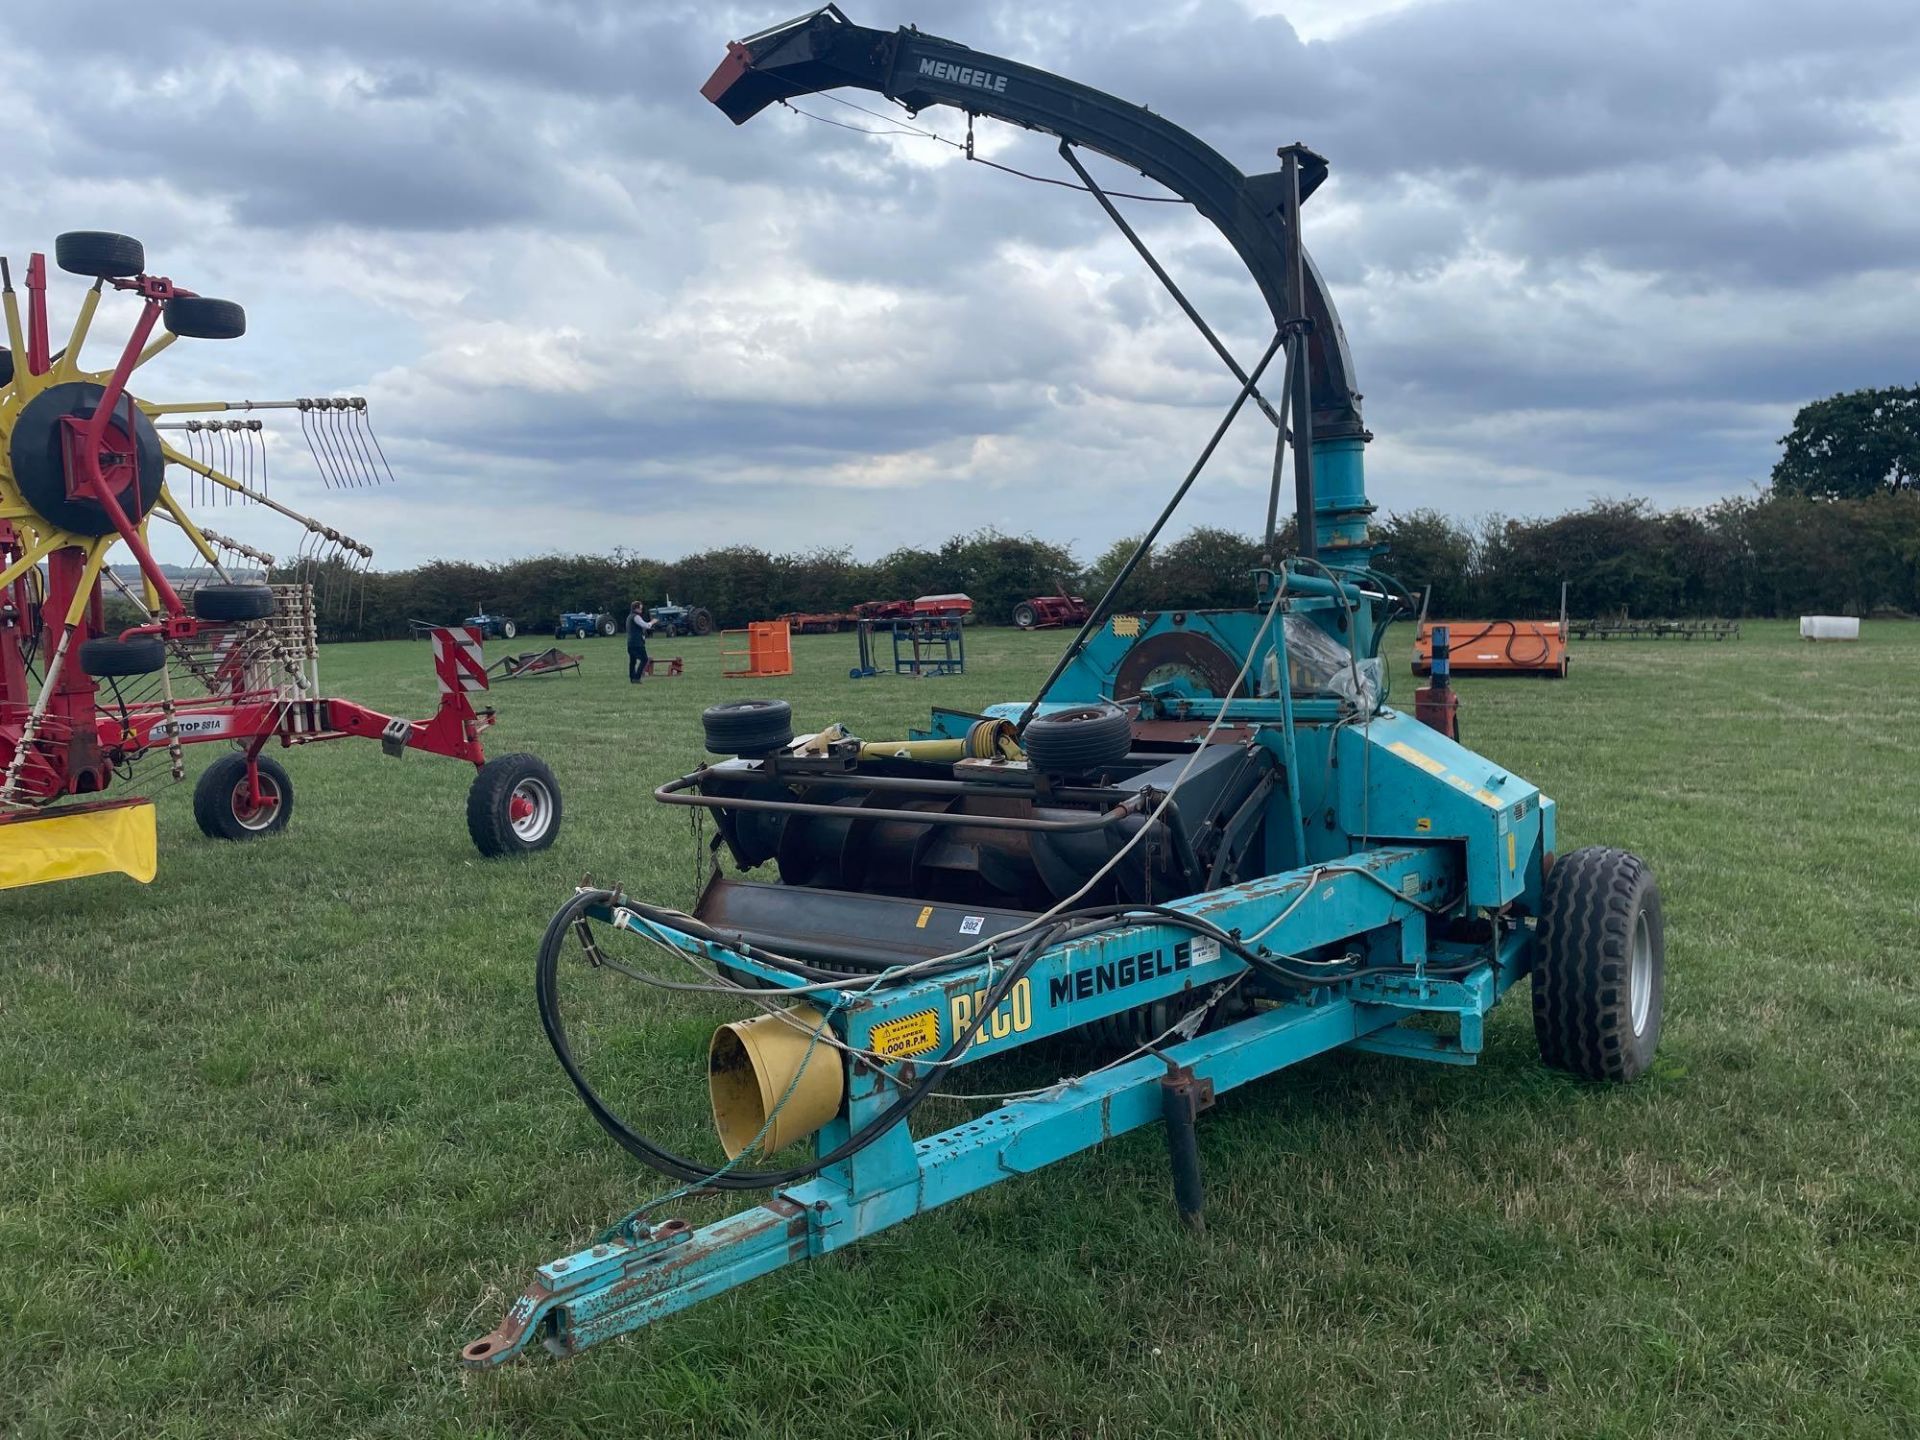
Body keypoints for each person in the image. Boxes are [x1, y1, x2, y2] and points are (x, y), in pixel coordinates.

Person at [626, 601, 655, 683]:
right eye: (640, 608)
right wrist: (653, 622)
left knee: (633, 661)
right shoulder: (636, 617)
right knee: (644, 659)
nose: (641, 610)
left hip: (630, 643)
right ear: (636, 608)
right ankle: (637, 677)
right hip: (637, 643)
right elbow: (646, 625)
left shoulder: (629, 617)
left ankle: (632, 678)